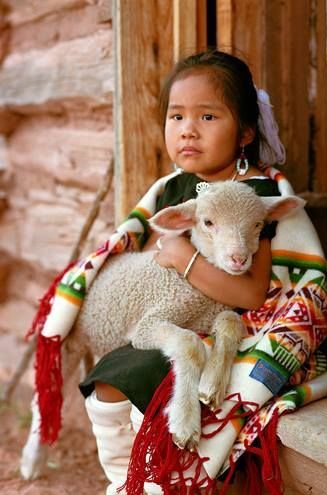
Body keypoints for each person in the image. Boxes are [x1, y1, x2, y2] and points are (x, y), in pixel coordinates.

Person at [79, 49, 286, 495]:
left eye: (208, 117)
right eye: (176, 117)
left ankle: (156, 480)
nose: (188, 129)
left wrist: (182, 258)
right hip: (174, 314)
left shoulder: (255, 194)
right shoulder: (174, 187)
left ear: (246, 132)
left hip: (228, 323)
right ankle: (122, 479)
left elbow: (251, 293)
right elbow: (148, 252)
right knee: (112, 376)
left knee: (142, 378)